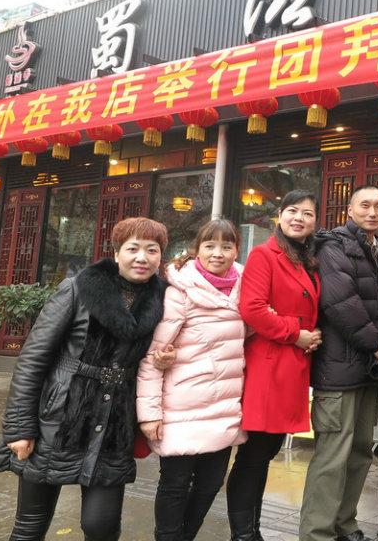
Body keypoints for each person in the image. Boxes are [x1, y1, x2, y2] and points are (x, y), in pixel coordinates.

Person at [0, 217, 169, 541]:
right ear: (117, 253)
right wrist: (19, 428)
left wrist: (163, 361)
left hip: (114, 426)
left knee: (102, 527)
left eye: (152, 250)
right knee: (31, 525)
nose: (142, 258)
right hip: (57, 420)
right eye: (133, 248)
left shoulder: (162, 300)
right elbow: (33, 358)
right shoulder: (78, 288)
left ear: (160, 257)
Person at [300, 184, 378, 541]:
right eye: (365, 205)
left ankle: (345, 524)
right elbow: (340, 304)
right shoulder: (333, 247)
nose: (373, 212)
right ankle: (317, 533)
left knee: (359, 454)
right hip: (337, 372)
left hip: (368, 373)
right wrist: (377, 345)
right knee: (332, 457)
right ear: (349, 209)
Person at [136, 218, 247, 541]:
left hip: (222, 407)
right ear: (197, 249)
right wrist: (149, 414)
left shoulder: (244, 288)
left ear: (236, 250)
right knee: (175, 485)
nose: (218, 253)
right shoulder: (181, 292)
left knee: (210, 484)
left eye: (226, 246)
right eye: (210, 246)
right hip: (181, 409)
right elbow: (153, 357)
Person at [226, 190, 322, 541]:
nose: (299, 218)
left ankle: (252, 530)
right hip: (269, 366)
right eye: (292, 211)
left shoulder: (307, 258)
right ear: (279, 216)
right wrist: (296, 334)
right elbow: (252, 308)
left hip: (291, 367)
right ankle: (243, 534)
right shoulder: (264, 254)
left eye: (307, 213)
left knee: (265, 452)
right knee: (254, 454)